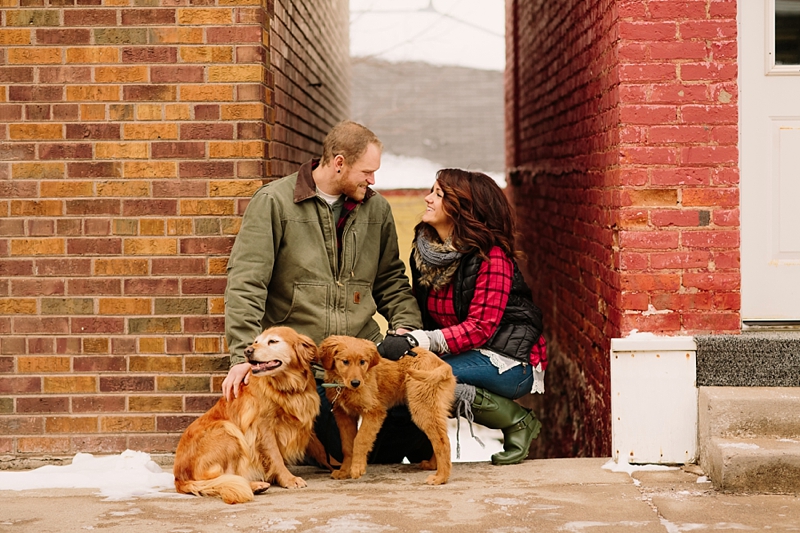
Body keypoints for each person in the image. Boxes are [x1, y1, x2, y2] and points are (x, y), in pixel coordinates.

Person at [222, 120, 432, 464]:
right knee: (342, 448)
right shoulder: (274, 203)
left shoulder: (376, 209)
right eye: (367, 171)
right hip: (310, 370)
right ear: (339, 163)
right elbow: (246, 283)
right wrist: (243, 358)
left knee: (414, 419)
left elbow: (391, 279)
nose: (373, 180)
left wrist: (406, 330)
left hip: (364, 364)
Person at [378, 168, 547, 465]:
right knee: (403, 373)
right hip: (463, 352)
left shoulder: (491, 256)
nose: (428, 199)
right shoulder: (426, 252)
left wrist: (422, 341)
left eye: (438, 195)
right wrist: (406, 335)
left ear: (463, 208)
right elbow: (426, 316)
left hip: (509, 360)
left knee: (427, 378)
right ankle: (411, 452)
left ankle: (517, 420)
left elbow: (480, 328)